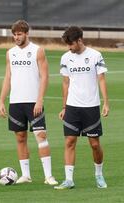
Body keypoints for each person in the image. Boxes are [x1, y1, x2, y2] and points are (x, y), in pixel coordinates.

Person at [0, 20, 58, 185]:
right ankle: (26, 175)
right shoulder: (10, 53)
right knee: (20, 137)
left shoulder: (38, 51)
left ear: (26, 34)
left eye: (19, 34)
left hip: (34, 102)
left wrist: (40, 99)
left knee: (41, 136)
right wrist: (1, 101)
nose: (16, 37)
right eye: (14, 34)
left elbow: (45, 76)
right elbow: (8, 77)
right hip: (16, 102)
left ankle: (48, 176)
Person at [54, 26, 109, 190]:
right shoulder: (65, 58)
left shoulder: (95, 55)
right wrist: (64, 106)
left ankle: (99, 175)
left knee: (94, 144)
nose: (69, 48)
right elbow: (65, 83)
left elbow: (101, 80)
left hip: (91, 107)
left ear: (79, 40)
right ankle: (69, 180)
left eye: (71, 44)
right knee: (70, 141)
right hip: (72, 107)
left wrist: (106, 102)